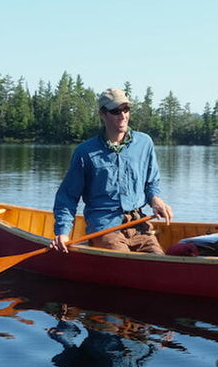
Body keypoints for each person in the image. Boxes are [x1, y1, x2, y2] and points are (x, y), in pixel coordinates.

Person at [50, 87, 173, 254]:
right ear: (102, 114)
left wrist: (155, 200)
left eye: (126, 109)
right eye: (115, 111)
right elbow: (67, 197)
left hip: (139, 226)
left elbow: (151, 183)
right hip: (105, 228)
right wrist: (63, 233)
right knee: (127, 264)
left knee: (159, 261)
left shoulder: (144, 143)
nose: (123, 116)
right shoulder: (85, 152)